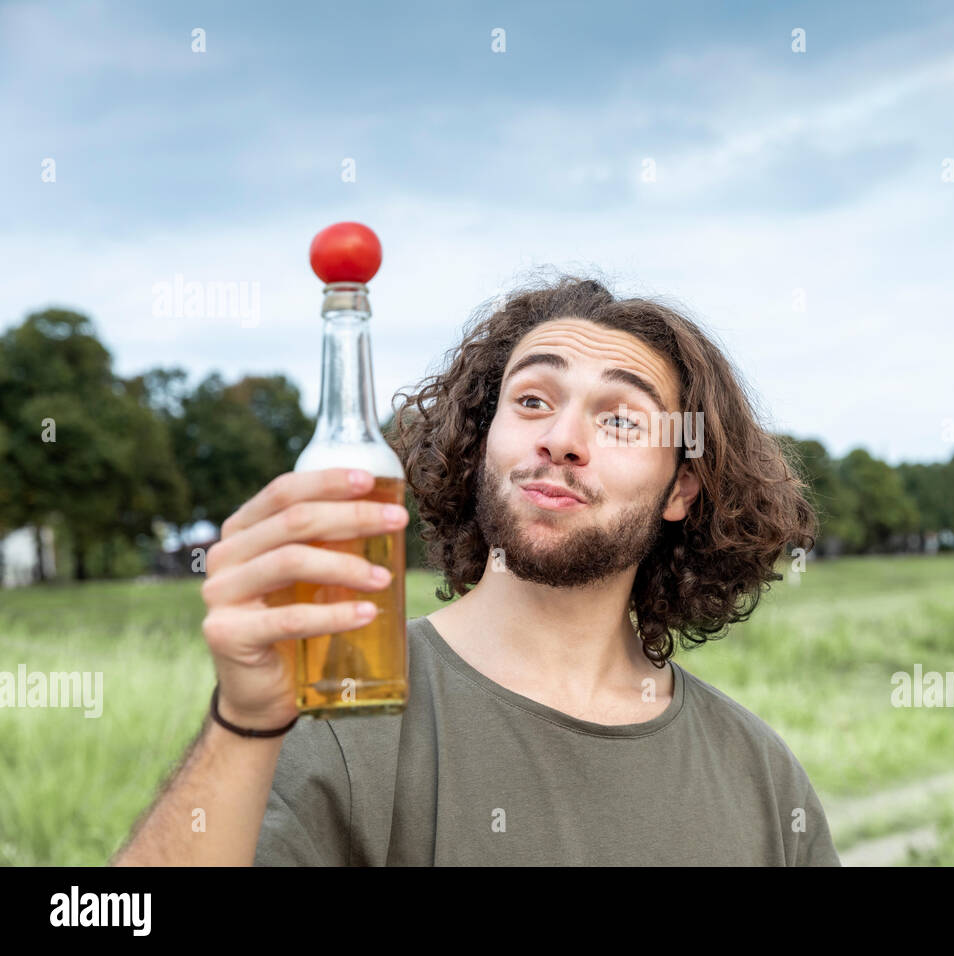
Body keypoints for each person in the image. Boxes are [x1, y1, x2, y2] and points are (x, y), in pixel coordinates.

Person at [111, 275, 840, 866]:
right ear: (482, 439)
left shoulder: (764, 780)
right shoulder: (340, 710)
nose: (561, 439)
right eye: (531, 401)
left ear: (683, 488)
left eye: (620, 419)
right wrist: (242, 725)